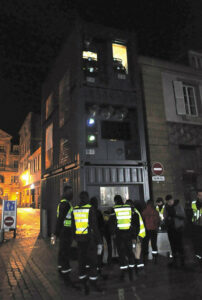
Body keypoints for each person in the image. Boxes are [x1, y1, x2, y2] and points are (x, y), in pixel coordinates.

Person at [72, 191, 103, 294]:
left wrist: (75, 237)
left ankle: (83, 284)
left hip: (80, 241)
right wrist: (99, 241)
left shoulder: (75, 209)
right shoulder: (90, 208)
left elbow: (73, 226)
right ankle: (93, 283)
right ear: (87, 198)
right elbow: (94, 226)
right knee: (93, 262)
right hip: (89, 240)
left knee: (82, 263)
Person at [110, 195, 139, 281]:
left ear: (115, 201)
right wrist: (134, 235)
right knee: (130, 253)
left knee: (122, 255)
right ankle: (131, 273)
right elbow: (134, 223)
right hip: (129, 235)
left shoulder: (114, 209)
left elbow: (112, 223)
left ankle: (123, 273)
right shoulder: (128, 208)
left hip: (119, 236)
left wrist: (113, 233)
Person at [51, 185, 73, 276]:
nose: (71, 194)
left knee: (62, 249)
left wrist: (56, 233)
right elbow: (60, 219)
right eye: (69, 192)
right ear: (65, 193)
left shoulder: (61, 203)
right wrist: (55, 233)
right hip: (66, 231)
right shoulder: (66, 204)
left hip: (63, 230)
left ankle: (60, 267)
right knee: (65, 250)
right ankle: (65, 270)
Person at [163, 194, 186, 267]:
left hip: (178, 228)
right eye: (168, 202)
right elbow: (165, 216)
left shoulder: (178, 206)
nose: (169, 203)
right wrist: (167, 220)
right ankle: (175, 261)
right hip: (170, 229)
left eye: (170, 201)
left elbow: (183, 215)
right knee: (173, 246)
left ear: (172, 200)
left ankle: (182, 262)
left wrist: (175, 214)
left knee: (179, 245)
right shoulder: (166, 207)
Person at [126, 199, 146, 271]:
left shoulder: (134, 213)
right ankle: (139, 266)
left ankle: (139, 267)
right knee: (137, 251)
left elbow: (135, 226)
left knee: (136, 251)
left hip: (137, 235)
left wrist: (134, 236)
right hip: (139, 234)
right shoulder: (135, 212)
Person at [142, 200, 160, 264]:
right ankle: (155, 259)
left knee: (145, 245)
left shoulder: (144, 211)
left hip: (146, 230)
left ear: (147, 204)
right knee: (154, 244)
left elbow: (142, 220)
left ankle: (145, 259)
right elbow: (157, 221)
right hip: (153, 230)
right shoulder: (155, 212)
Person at [90, 196, 105, 273]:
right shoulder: (98, 212)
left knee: (93, 253)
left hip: (91, 237)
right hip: (98, 236)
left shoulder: (89, 212)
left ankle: (93, 267)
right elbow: (101, 224)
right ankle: (99, 267)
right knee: (99, 252)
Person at [191, 190, 202, 262]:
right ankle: (198, 254)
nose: (201, 196)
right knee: (198, 240)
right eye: (199, 195)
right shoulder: (194, 203)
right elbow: (195, 211)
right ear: (197, 196)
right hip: (197, 224)